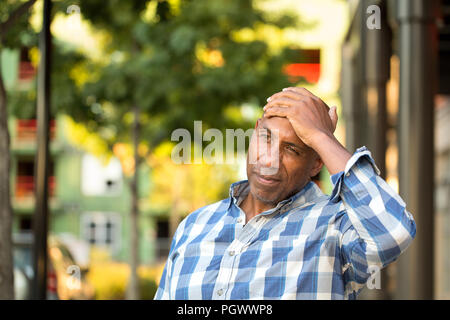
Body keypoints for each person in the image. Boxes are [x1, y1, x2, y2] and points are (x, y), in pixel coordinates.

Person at [154, 87, 416, 300]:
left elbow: (394, 232)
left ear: (316, 162)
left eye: (292, 149)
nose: (269, 161)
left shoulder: (335, 227)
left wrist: (321, 136)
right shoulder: (195, 225)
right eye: (265, 138)